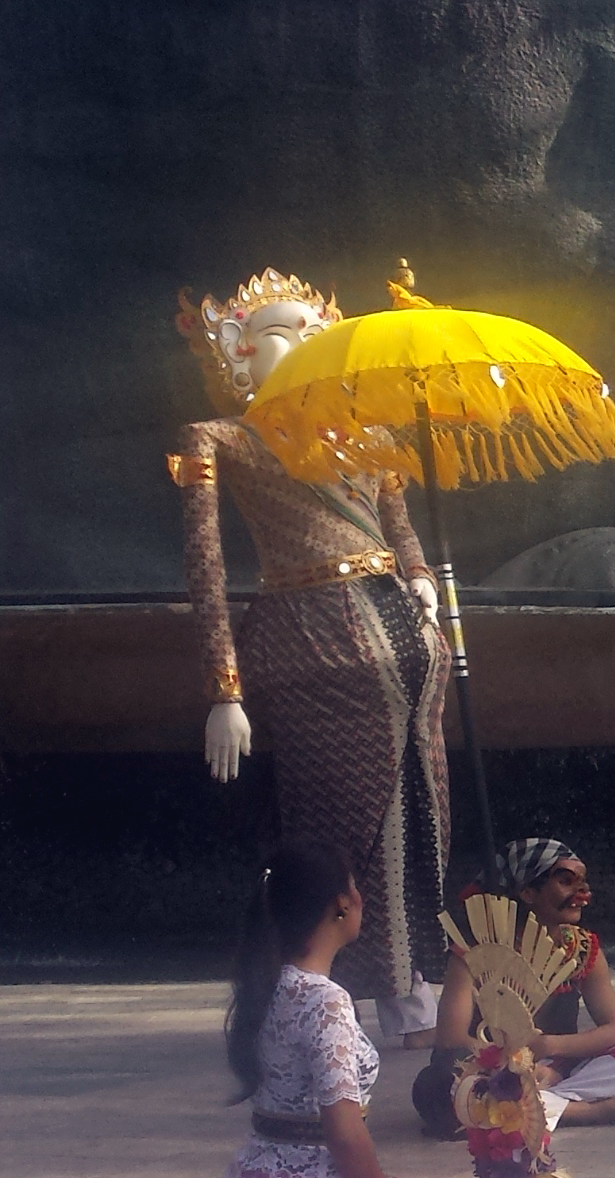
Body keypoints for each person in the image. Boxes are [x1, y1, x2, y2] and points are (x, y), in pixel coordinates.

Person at [173, 271, 453, 1042]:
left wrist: (423, 580)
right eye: (279, 333)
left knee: (419, 817)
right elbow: (206, 568)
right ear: (236, 350)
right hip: (310, 647)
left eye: (312, 333)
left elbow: (400, 531)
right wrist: (224, 687)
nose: (300, 345)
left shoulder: (372, 435)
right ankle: (322, 995)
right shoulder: (220, 439)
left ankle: (412, 990)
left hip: (406, 644)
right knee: (331, 828)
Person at [163, 842, 491, 1178]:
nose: (361, 899)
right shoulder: (326, 1001)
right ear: (341, 904)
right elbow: (344, 1133)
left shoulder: (266, 986)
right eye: (356, 888)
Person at [414, 839, 615, 1136]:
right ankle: (582, 1112)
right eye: (566, 882)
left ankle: (529, 1108)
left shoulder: (582, 949)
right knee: (435, 1087)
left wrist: (549, 1048)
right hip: (486, 1068)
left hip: (554, 1069)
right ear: (528, 892)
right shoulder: (475, 950)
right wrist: (511, 1065)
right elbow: (451, 1037)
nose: (582, 894)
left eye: (583, 882)